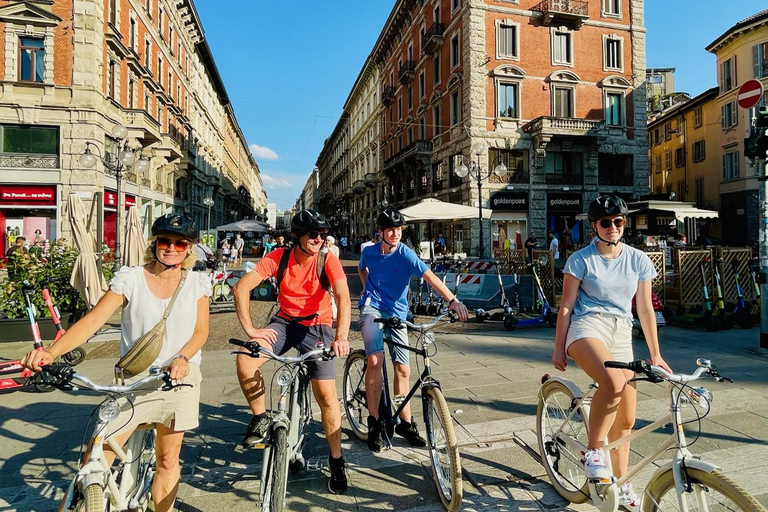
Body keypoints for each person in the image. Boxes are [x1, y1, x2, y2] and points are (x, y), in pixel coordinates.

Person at [22, 213, 211, 512]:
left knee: (167, 458)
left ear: (189, 248)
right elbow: (94, 320)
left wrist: (182, 357)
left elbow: (201, 331)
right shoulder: (131, 278)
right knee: (97, 454)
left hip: (179, 379)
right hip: (135, 380)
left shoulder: (198, 284)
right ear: (154, 243)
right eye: (165, 241)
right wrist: (53, 352)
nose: (171, 248)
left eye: (180, 243)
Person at [551, 195, 670, 512]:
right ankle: (592, 452)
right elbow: (565, 306)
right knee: (613, 384)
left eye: (619, 221)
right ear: (594, 226)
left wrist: (655, 354)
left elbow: (644, 309)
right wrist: (558, 348)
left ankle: (622, 481)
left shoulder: (638, 260)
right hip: (587, 328)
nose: (614, 227)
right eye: (606, 222)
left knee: (627, 420)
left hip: (621, 332)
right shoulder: (581, 259)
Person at [232, 209, 351, 494]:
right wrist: (251, 330)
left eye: (323, 235)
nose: (319, 239)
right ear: (297, 235)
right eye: (313, 234)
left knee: (327, 397)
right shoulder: (279, 258)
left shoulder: (328, 260)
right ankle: (261, 417)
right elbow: (241, 288)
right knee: (246, 359)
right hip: (285, 322)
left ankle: (336, 460)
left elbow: (344, 298)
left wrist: (341, 336)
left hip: (318, 326)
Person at [358, 207, 469, 452]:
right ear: (381, 233)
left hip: (397, 312)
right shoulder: (370, 252)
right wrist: (368, 290)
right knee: (375, 361)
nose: (396, 234)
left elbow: (430, 277)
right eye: (391, 230)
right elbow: (361, 268)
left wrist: (453, 300)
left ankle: (405, 423)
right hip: (372, 308)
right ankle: (374, 422)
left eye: (398, 229)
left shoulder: (406, 254)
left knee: (404, 369)